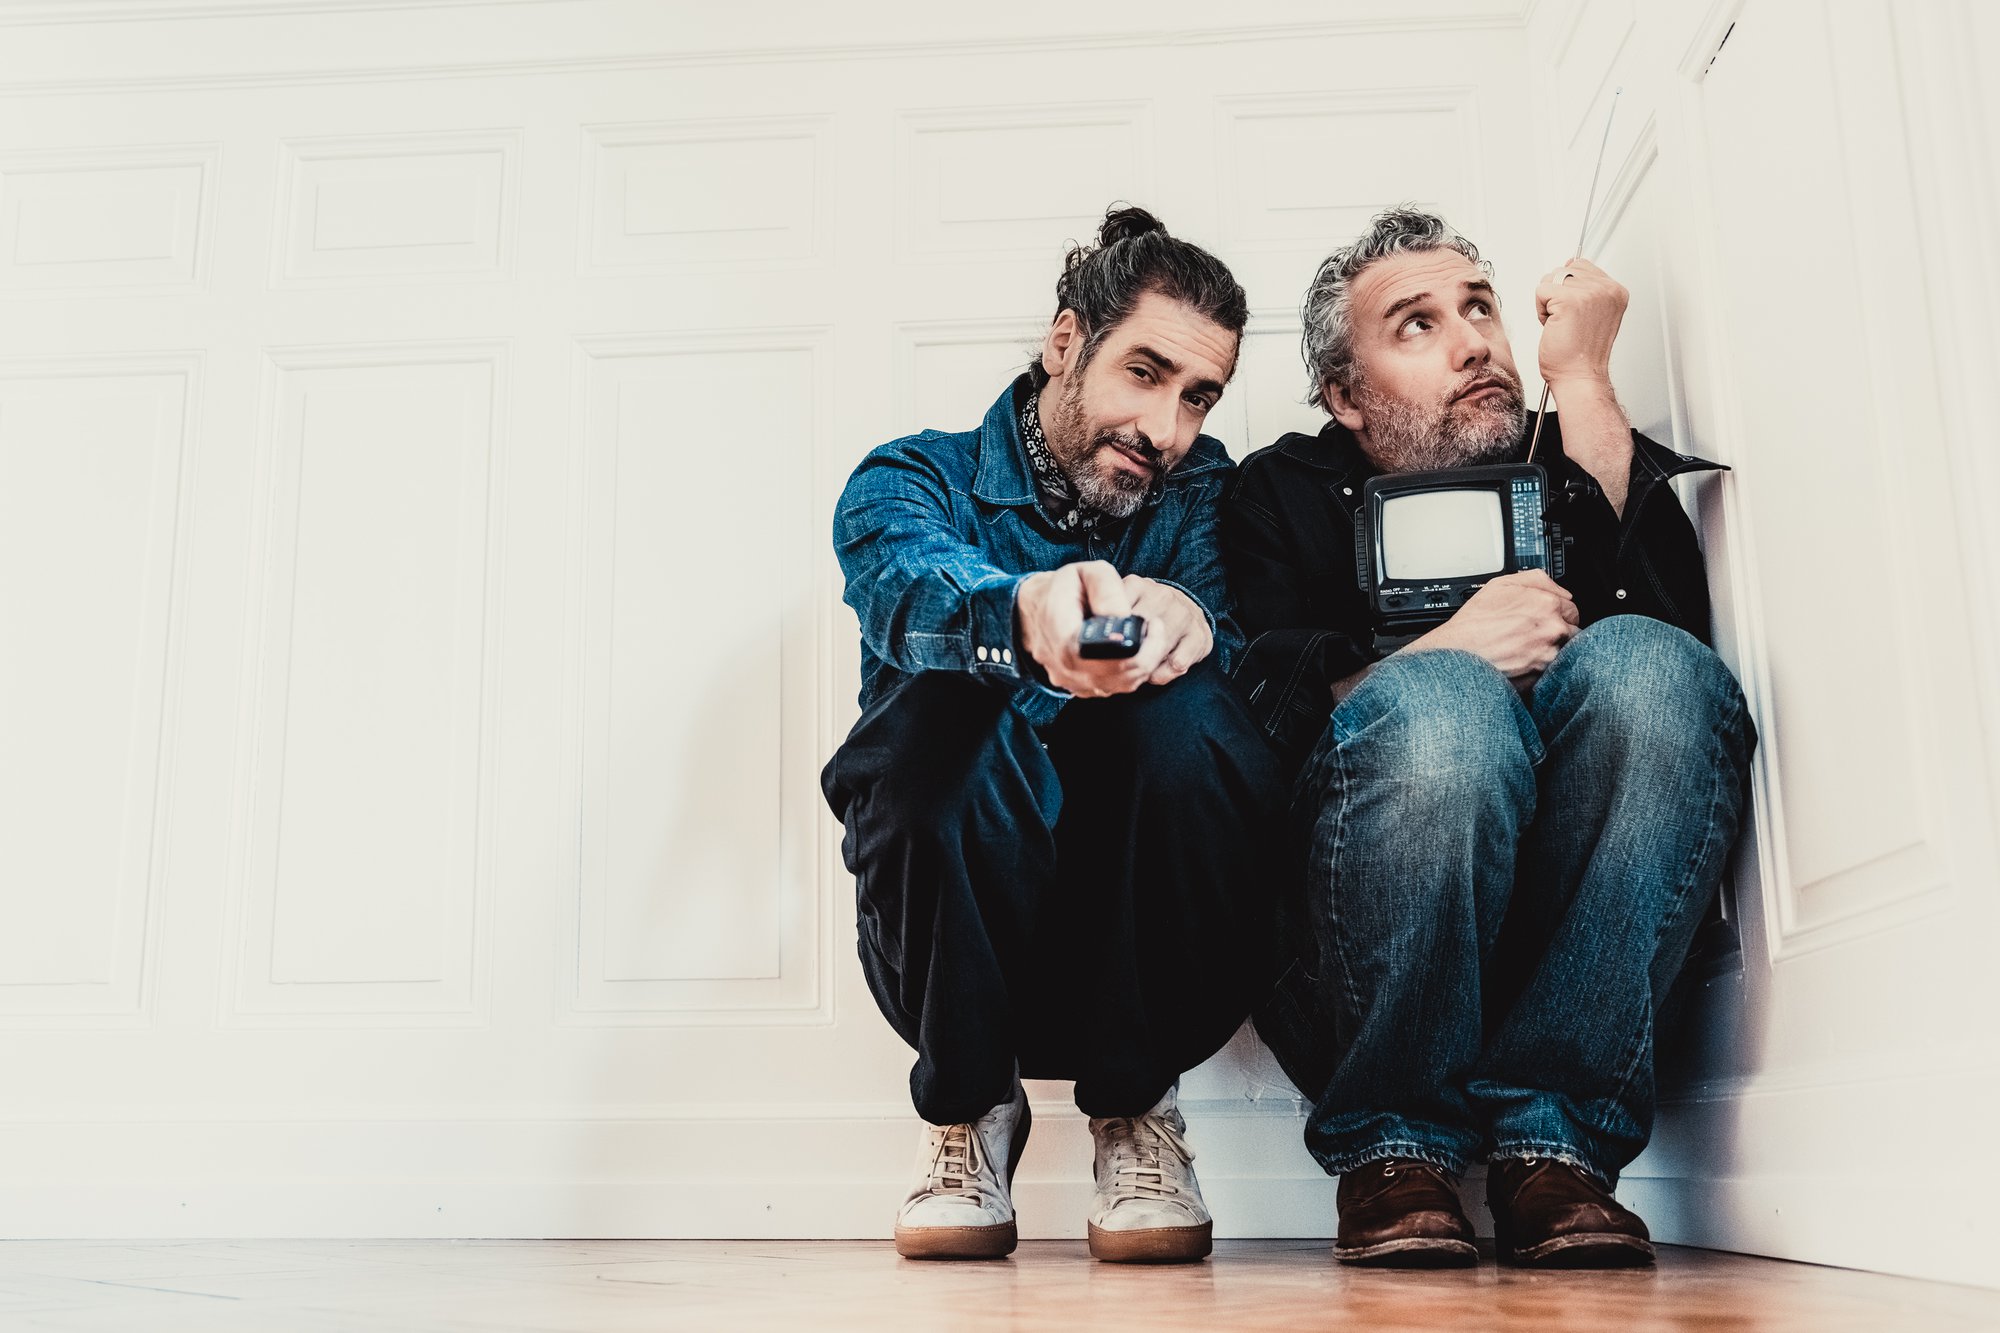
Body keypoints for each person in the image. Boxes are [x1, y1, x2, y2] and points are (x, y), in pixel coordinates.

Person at [1223, 208, 1755, 1268]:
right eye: (1416, 324)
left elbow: (1677, 680)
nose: (1472, 341)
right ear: (1345, 395)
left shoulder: (1570, 453)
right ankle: (1393, 1148)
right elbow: (1259, 730)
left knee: (1652, 665)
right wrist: (1447, 651)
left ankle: (1552, 1150)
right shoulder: (1278, 491)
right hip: (1352, 967)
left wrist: (1584, 381)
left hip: (1573, 963)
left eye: (1479, 307)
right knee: (1445, 704)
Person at [822, 205, 1284, 1263]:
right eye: (1144, 373)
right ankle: (968, 1106)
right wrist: (1021, 622)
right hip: (956, 964)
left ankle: (1137, 1111)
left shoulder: (1203, 491)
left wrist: (1192, 619)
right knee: (943, 700)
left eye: (1197, 395)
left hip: (1160, 962)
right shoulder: (911, 479)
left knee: (1187, 702)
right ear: (1066, 342)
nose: (1166, 429)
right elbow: (904, 581)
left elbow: (1246, 639)